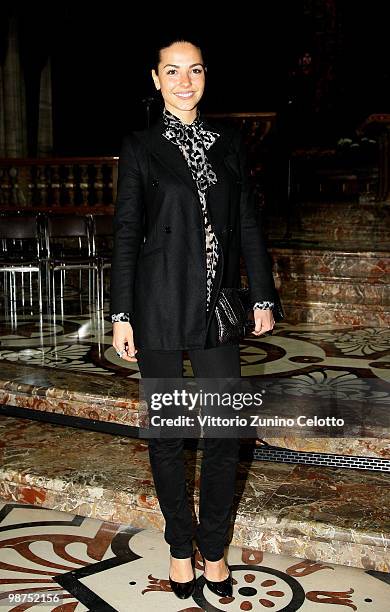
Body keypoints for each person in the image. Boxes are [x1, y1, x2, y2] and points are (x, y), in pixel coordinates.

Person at [110, 36, 277, 600]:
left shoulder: (230, 142)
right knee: (167, 434)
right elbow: (127, 232)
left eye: (195, 70)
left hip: (218, 307)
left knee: (225, 432)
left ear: (206, 76)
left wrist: (263, 296)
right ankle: (180, 550)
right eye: (172, 71)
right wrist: (121, 312)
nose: (185, 81)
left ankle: (214, 550)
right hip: (157, 304)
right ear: (155, 79)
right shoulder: (140, 145)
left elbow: (249, 223)